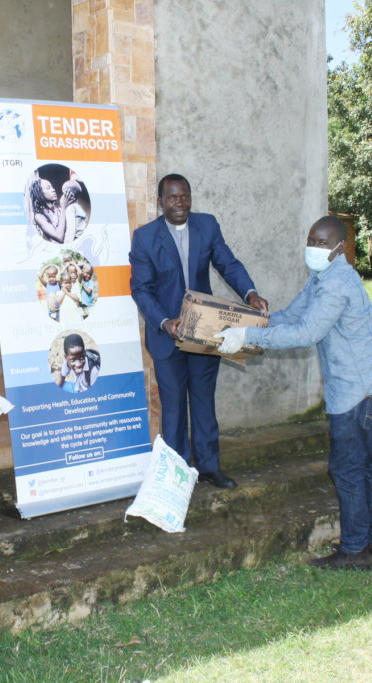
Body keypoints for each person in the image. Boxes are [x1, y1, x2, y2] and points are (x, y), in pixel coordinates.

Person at [216, 216, 372, 571]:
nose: (313, 248)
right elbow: (292, 316)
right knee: (369, 464)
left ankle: (354, 552)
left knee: (348, 467)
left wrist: (248, 338)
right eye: (310, 240)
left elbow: (306, 333)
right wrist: (251, 324)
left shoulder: (337, 285)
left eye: (321, 242)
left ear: (339, 247)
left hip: (359, 389)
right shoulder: (324, 277)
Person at [129, 173, 268, 489]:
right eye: (173, 197)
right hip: (168, 337)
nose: (180, 202)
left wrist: (250, 293)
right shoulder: (145, 237)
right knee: (174, 405)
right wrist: (165, 322)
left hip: (205, 333)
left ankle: (208, 467)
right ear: (160, 201)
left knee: (204, 401)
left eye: (185, 196)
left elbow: (228, 264)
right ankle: (178, 474)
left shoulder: (207, 226)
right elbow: (141, 289)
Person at [26, 171, 79, 244]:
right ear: (40, 193)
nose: (53, 190)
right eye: (48, 188)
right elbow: (59, 237)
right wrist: (63, 207)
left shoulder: (59, 209)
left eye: (52, 187)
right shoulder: (39, 216)